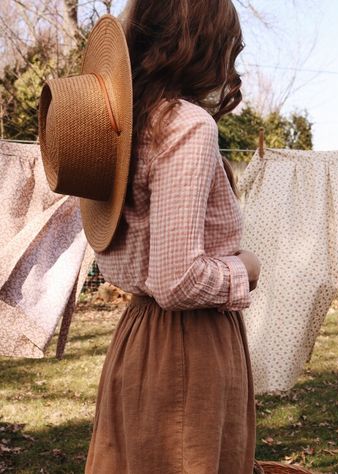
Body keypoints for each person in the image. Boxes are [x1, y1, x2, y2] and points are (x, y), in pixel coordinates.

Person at [84, 0, 262, 473]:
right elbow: (177, 280)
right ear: (201, 44)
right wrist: (244, 270)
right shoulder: (185, 125)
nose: (231, 62)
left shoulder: (126, 123)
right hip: (189, 344)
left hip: (140, 339)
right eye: (229, 47)